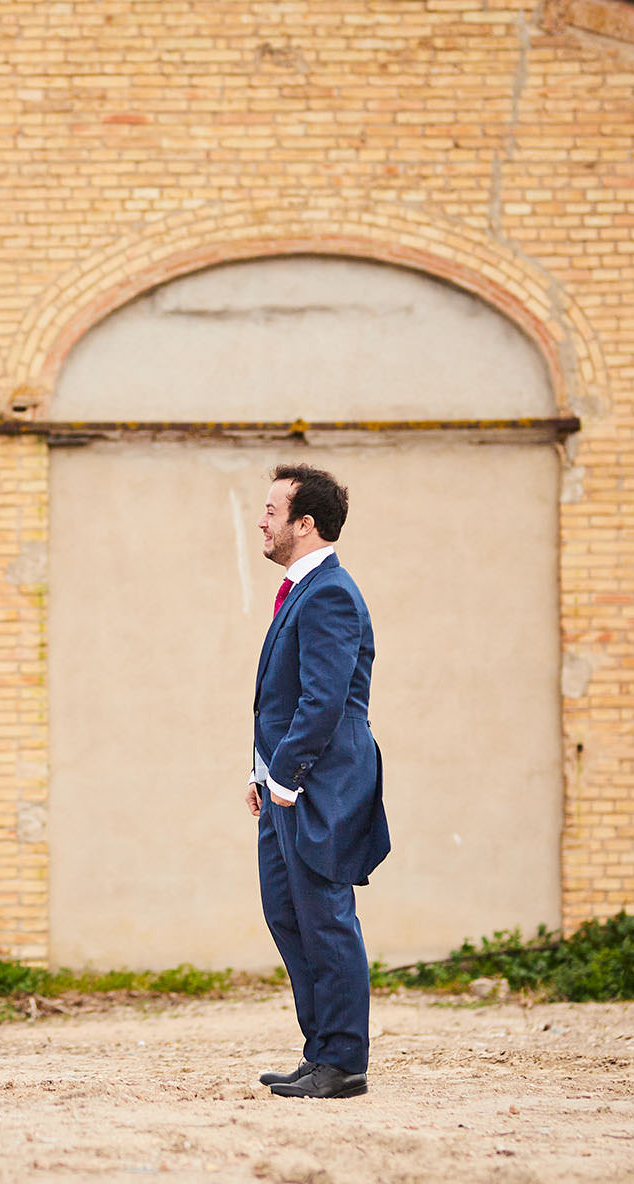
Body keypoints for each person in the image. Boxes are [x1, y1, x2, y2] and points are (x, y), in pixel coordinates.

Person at [248, 464, 390, 1100]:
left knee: (326, 919)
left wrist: (283, 776)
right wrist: (259, 772)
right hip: (284, 785)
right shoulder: (300, 590)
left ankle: (345, 1063)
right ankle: (321, 1051)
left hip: (318, 786)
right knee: (288, 915)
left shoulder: (330, 591)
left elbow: (323, 701)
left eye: (273, 511)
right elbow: (279, 701)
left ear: (306, 524)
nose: (262, 521)